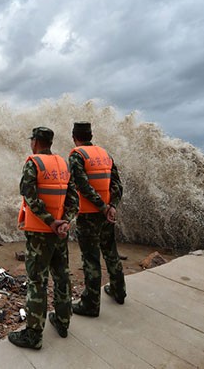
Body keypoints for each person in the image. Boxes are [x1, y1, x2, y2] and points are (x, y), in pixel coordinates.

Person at [8, 127, 79, 350]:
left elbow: (29, 195)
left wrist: (50, 222)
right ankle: (62, 322)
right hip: (60, 233)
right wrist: (65, 221)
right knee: (61, 276)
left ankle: (33, 336)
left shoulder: (34, 163)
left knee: (37, 282)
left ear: (36, 141)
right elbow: (73, 199)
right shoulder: (62, 163)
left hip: (41, 233)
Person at [68, 121, 125, 317]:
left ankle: (91, 304)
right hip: (107, 214)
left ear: (74, 136)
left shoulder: (77, 155)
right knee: (110, 251)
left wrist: (102, 208)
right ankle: (119, 291)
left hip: (89, 215)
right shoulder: (104, 154)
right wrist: (112, 207)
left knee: (91, 258)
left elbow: (82, 185)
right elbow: (117, 184)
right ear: (91, 135)